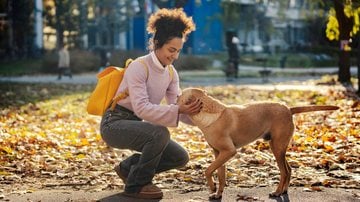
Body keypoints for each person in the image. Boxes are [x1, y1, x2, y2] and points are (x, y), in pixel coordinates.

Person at [100, 8, 202, 199]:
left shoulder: (171, 73)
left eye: (178, 51)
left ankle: (127, 168)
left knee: (180, 157)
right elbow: (141, 108)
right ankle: (136, 185)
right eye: (171, 50)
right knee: (159, 133)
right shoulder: (140, 66)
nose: (175, 56)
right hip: (114, 123)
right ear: (156, 44)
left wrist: (206, 120)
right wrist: (178, 109)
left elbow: (178, 107)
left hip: (137, 124)